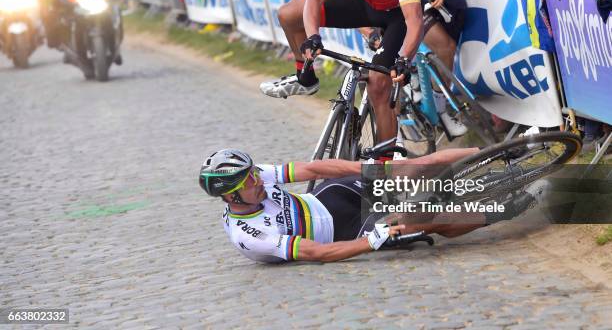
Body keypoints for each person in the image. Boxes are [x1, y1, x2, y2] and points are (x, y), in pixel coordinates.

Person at [198, 148, 536, 263]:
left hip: (332, 196)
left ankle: (512, 151)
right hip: (348, 230)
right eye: (249, 183)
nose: (259, 181)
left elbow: (314, 169)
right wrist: (370, 241)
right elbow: (317, 253)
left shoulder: (256, 178)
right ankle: (505, 210)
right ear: (231, 196)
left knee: (417, 167)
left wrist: (370, 169)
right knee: (425, 219)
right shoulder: (250, 234)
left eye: (255, 175)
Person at [260, 0, 425, 146]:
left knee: (377, 84)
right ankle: (305, 78)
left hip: (396, 15)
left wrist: (405, 58)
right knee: (288, 14)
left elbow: (414, 19)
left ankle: (384, 165)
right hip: (363, 3)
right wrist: (313, 36)